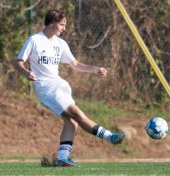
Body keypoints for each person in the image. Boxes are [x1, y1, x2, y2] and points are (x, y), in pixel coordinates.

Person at [13, 9, 125, 167]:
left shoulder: (60, 44)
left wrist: (95, 69)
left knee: (72, 121)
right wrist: (25, 72)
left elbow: (76, 64)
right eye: (62, 24)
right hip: (46, 88)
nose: (64, 28)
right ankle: (110, 136)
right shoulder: (35, 40)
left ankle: (62, 157)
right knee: (76, 113)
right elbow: (17, 62)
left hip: (60, 85)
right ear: (52, 23)